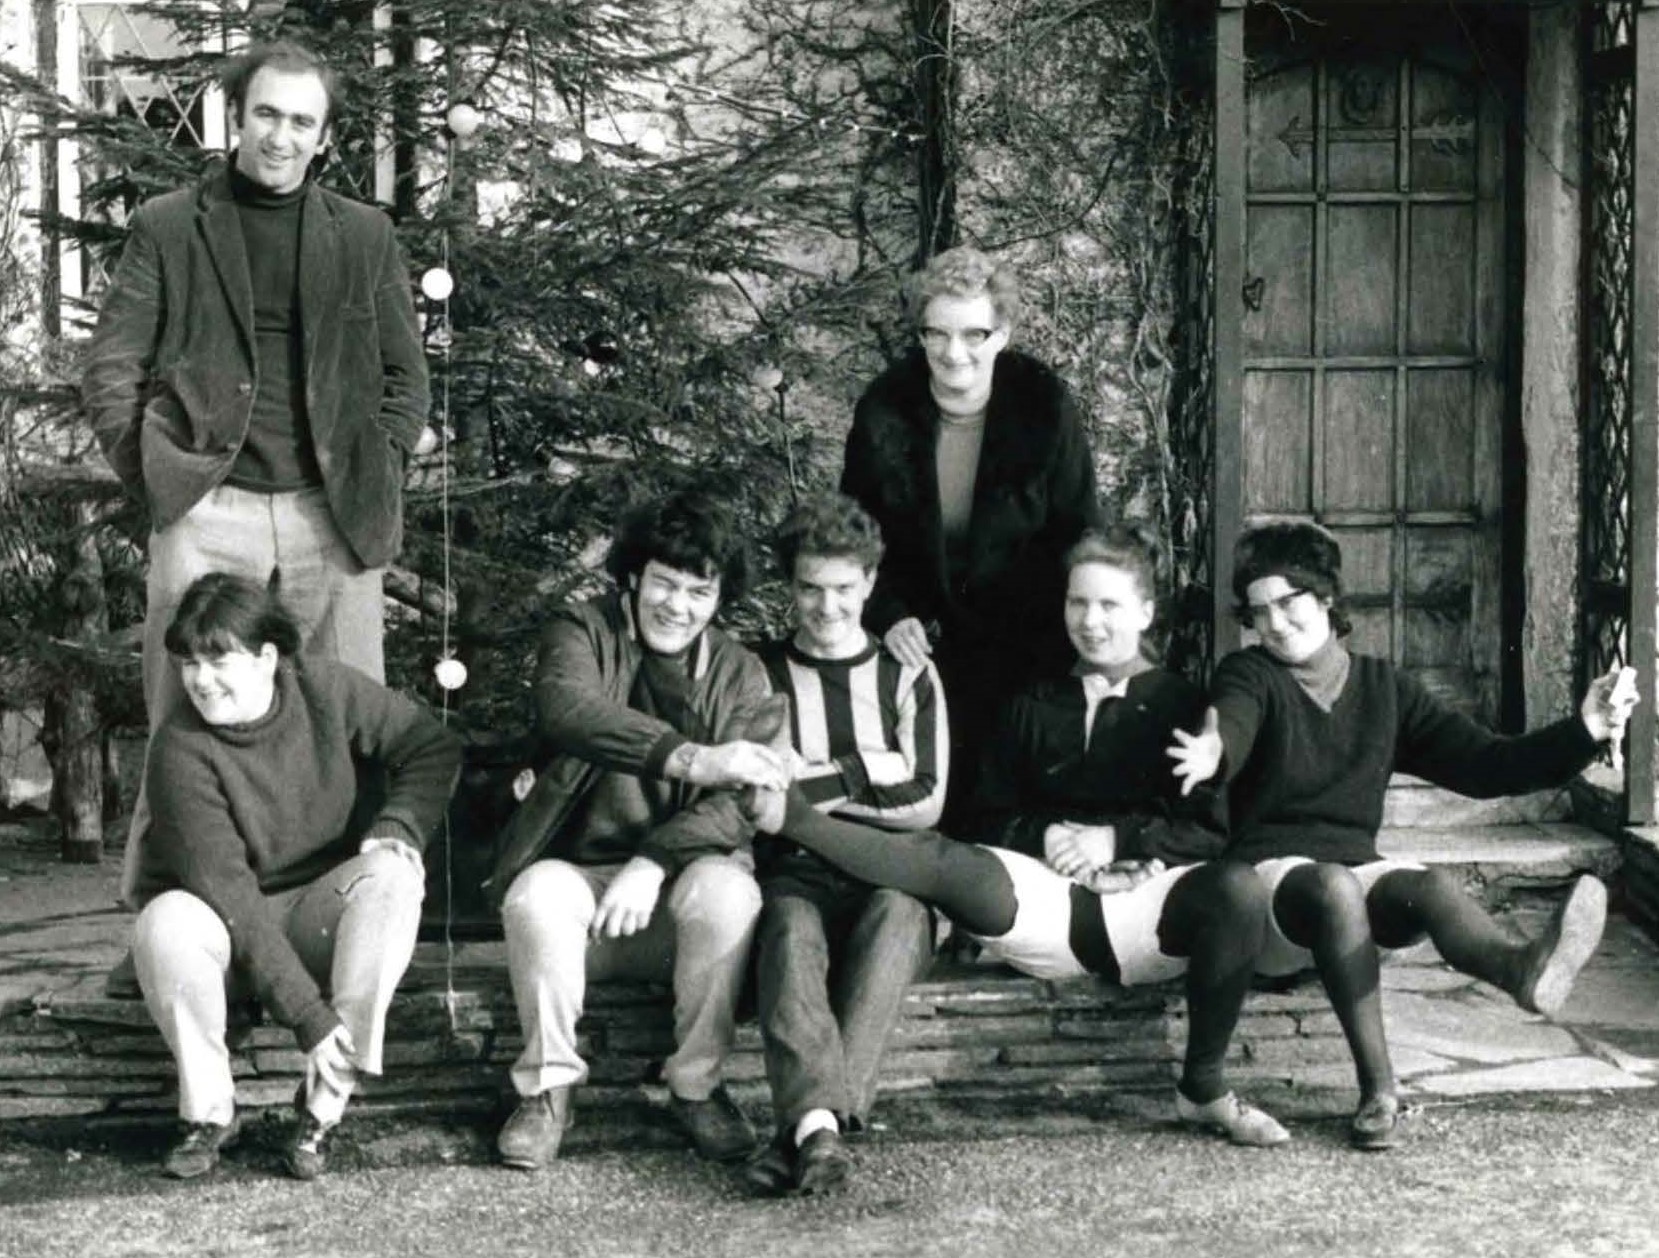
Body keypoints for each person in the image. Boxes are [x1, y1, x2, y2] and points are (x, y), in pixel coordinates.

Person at [746, 525, 1290, 1149]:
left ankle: (1203, 1088)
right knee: (946, 857)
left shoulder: (1184, 705)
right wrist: (1049, 834)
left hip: (1147, 906)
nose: (1090, 622)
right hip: (1046, 903)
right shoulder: (1033, 700)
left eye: (1109, 605)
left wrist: (1118, 842)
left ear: (1145, 611)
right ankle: (800, 821)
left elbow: (1207, 830)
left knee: (1238, 889)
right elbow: (983, 814)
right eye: (1077, 603)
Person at [81, 40, 435, 920]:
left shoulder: (364, 234)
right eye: (267, 114)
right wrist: (160, 477)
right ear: (235, 117)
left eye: (301, 121)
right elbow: (110, 366)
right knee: (185, 710)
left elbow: (406, 377)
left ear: (324, 137)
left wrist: (379, 458)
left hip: (335, 513)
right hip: (208, 509)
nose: (281, 135)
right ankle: (165, 911)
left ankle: (348, 912)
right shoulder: (172, 224)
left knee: (347, 716)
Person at [1167, 521, 1640, 1150]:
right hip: (1269, 889)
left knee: (1429, 885)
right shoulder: (1249, 675)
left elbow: (1486, 765)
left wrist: (1584, 729)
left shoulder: (1385, 689)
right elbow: (1234, 723)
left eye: (1289, 602)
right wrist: (1213, 752)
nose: (1275, 624)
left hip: (1352, 876)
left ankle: (1521, 969)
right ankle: (1380, 1089)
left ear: (1328, 597)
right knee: (1334, 887)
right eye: (1259, 611)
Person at [486, 491, 789, 1171]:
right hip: (582, 886)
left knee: (730, 894)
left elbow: (738, 803)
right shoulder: (581, 631)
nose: (676, 606)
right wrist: (690, 757)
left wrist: (653, 860)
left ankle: (696, 1087)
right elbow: (569, 710)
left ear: (718, 599)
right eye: (663, 583)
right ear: (632, 578)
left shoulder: (740, 672)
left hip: (676, 887)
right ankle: (547, 1091)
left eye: (697, 591)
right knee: (536, 896)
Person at [131, 572, 460, 1181]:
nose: (200, 681)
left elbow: (431, 746)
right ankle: (209, 1112)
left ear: (267, 658)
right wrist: (307, 1014)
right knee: (164, 922)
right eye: (188, 663)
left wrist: (398, 825)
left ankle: (321, 1109)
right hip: (225, 929)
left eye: (218, 660)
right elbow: (230, 896)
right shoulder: (179, 749)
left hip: (318, 910)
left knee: (392, 876)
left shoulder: (325, 690)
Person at [840, 245, 1104, 826]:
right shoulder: (885, 406)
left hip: (1025, 640)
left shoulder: (1045, 407)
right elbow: (852, 535)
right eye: (936, 334)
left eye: (973, 334)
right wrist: (888, 614)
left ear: (1003, 334)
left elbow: (1078, 533)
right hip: (919, 639)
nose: (952, 353)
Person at [745, 495, 947, 1196]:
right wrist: (871, 768)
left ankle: (801, 1131)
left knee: (896, 918)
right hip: (797, 873)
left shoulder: (908, 673)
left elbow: (926, 798)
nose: (826, 606)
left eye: (842, 588)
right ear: (790, 586)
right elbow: (764, 800)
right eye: (809, 588)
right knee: (787, 926)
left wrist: (817, 780)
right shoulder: (758, 673)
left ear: (868, 583)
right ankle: (821, 1134)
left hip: (894, 874)